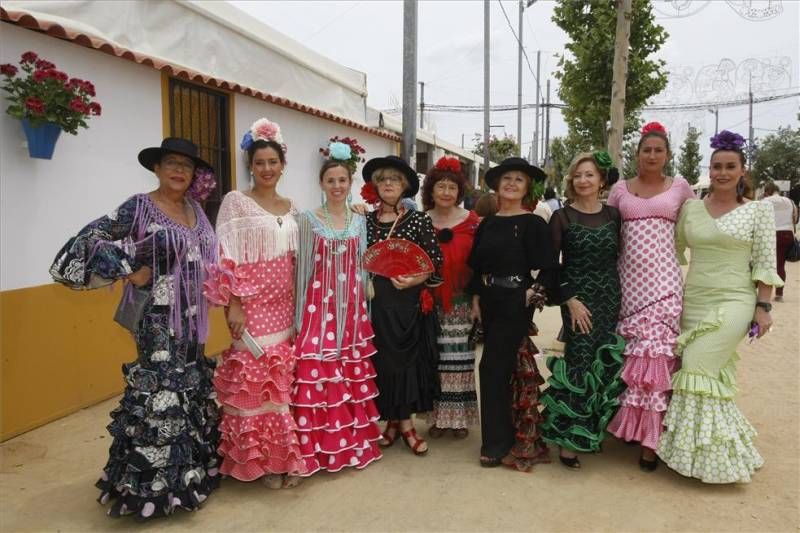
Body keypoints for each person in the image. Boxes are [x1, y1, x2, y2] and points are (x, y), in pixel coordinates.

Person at [50, 138, 221, 519]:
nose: (179, 170)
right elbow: (89, 239)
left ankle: (188, 475)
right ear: (157, 169)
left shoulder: (196, 209)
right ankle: (151, 489)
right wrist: (127, 268)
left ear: (193, 176)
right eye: (171, 163)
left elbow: (209, 256)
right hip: (156, 319)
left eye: (186, 166)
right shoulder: (139, 206)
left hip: (193, 320)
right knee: (162, 389)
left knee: (188, 387)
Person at [656, 130, 782, 483]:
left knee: (698, 365)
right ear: (708, 170)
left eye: (730, 167)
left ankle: (715, 458)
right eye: (717, 167)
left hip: (734, 301)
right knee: (704, 374)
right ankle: (704, 450)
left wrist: (764, 308)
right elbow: (670, 251)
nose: (722, 173)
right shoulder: (691, 208)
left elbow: (765, 262)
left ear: (743, 171)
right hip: (693, 301)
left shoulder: (758, 212)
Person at [204, 118, 305, 488]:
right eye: (259, 162)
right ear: (250, 165)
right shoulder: (235, 203)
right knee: (253, 383)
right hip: (252, 308)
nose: (267, 169)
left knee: (280, 386)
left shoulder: (293, 207)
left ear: (282, 166)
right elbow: (225, 257)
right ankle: (257, 464)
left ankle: (282, 460)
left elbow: (303, 256)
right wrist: (234, 304)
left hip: (285, 306)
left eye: (272, 162)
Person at [605, 122, 695, 471]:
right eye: (647, 150)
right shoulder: (619, 190)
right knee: (631, 366)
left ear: (667, 155)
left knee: (655, 364)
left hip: (664, 288)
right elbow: (607, 234)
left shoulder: (681, 189)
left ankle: (650, 444)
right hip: (627, 290)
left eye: (659, 150)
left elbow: (698, 226)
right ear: (637, 154)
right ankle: (630, 429)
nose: (652, 155)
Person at [291, 148, 383, 474]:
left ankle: (350, 445)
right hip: (319, 307)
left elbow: (364, 266)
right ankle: (315, 449)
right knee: (318, 368)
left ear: (351, 182)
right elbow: (301, 269)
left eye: (343, 180)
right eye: (331, 180)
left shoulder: (360, 221)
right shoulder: (307, 220)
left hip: (353, 308)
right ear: (321, 183)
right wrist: (298, 315)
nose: (337, 185)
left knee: (350, 369)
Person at [539, 152, 625, 469]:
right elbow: (550, 266)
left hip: (609, 297)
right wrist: (569, 300)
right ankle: (569, 439)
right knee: (579, 360)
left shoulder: (615, 215)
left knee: (603, 360)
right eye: (577, 175)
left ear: (601, 180)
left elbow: (618, 259)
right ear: (571, 180)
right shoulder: (562, 217)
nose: (583, 180)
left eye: (589, 174)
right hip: (577, 300)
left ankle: (592, 430)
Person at [467, 157, 554, 468]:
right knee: (499, 369)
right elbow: (476, 266)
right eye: (506, 178)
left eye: (519, 179)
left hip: (516, 302)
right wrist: (476, 297)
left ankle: (496, 443)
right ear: (497, 185)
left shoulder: (533, 223)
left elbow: (549, 267)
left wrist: (533, 292)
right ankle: (508, 433)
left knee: (491, 368)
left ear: (527, 186)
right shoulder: (488, 223)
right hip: (489, 300)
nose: (512, 183)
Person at [363, 155, 444, 456]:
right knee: (383, 363)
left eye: (394, 180)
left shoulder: (418, 220)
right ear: (374, 186)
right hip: (376, 303)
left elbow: (435, 263)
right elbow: (359, 261)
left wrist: (414, 279)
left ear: (405, 186)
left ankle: (406, 425)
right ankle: (394, 424)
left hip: (408, 304)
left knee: (407, 363)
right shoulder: (365, 222)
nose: (388, 184)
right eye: (383, 179)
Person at [421, 156, 480, 439]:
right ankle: (437, 418)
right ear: (430, 190)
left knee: (461, 361)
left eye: (451, 187)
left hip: (461, 302)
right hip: (429, 304)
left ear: (459, 192)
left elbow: (481, 265)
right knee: (434, 360)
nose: (446, 192)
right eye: (440, 186)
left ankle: (458, 419)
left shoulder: (473, 222)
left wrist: (478, 301)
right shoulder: (419, 222)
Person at [761, 181, 797, 301]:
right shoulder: (789, 201)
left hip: (770, 234)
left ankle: (762, 292)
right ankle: (779, 294)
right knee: (780, 265)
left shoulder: (764, 202)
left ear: (767, 192)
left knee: (765, 264)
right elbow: (795, 218)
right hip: (787, 234)